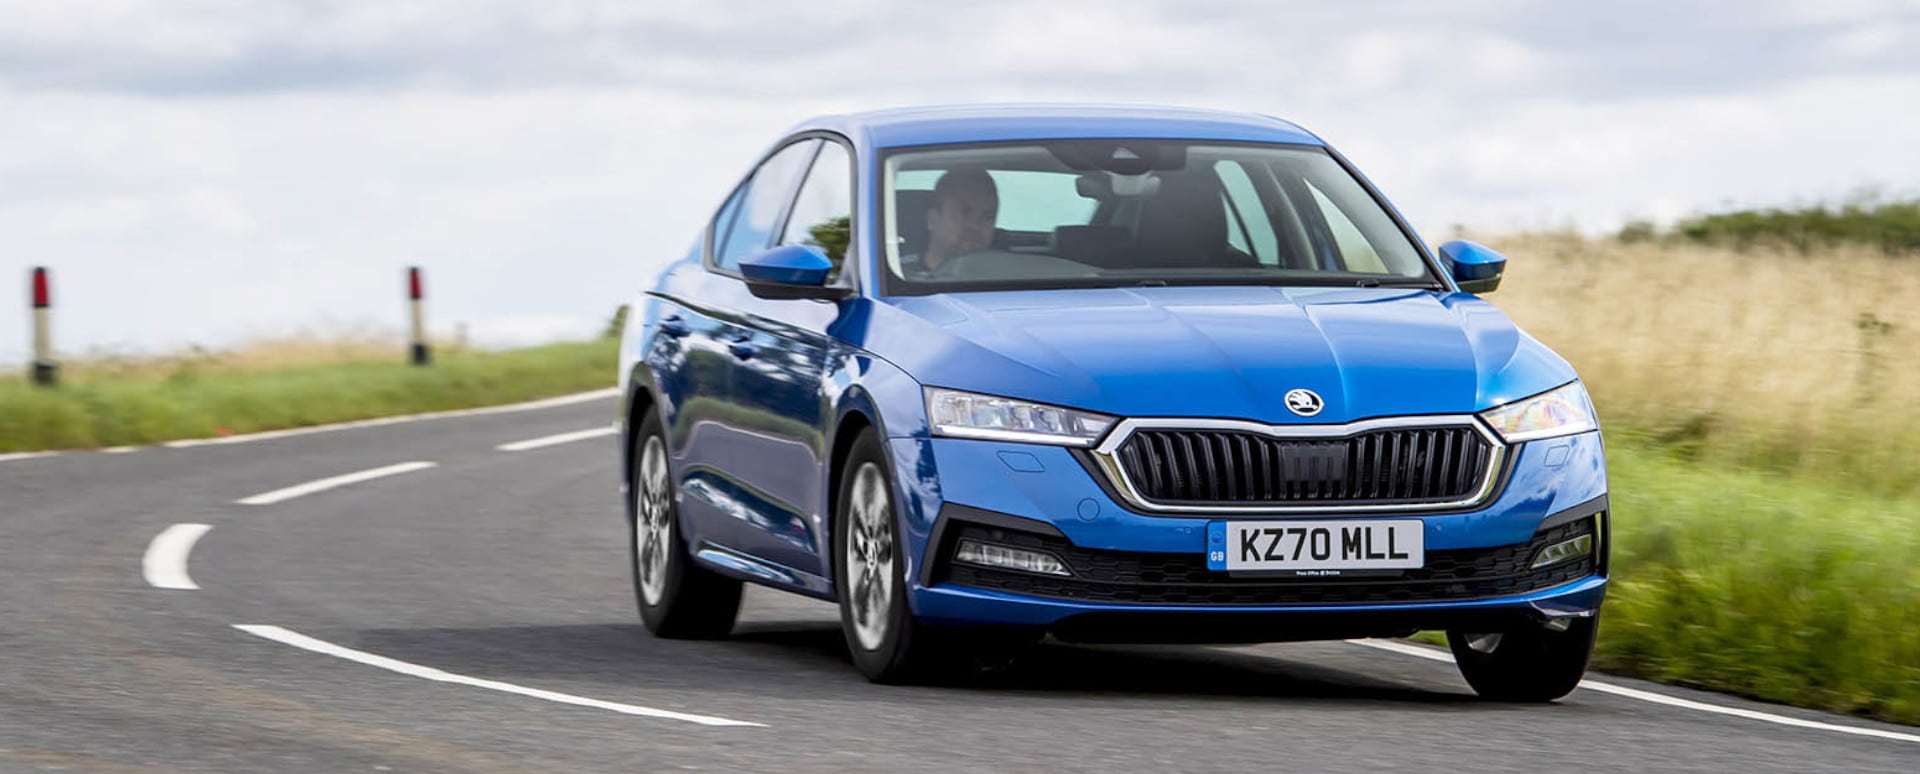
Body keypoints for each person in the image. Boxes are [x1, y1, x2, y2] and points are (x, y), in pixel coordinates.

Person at [901, 169, 997, 279]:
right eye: (965, 212)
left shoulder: (1005, 277)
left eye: (988, 217)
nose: (975, 226)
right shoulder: (900, 274)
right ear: (932, 219)